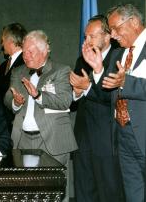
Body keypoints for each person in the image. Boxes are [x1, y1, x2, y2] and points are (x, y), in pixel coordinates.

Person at [82, 4, 146, 202]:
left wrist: (127, 82)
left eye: (117, 29)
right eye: (111, 31)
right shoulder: (119, 55)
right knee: (132, 195)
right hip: (123, 137)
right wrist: (99, 70)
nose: (114, 35)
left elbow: (127, 84)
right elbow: (107, 98)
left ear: (134, 22)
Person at [4, 30, 77, 202]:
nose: (26, 55)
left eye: (31, 51)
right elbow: (7, 98)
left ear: (44, 51)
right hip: (22, 139)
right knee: (26, 191)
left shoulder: (61, 70)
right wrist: (15, 101)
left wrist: (38, 96)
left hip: (52, 139)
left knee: (56, 192)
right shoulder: (18, 72)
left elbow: (65, 101)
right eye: (24, 51)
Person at [70, 15, 124, 202]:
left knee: (109, 193)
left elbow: (112, 98)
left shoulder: (120, 59)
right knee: (84, 193)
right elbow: (73, 102)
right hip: (83, 140)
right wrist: (77, 92)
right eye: (85, 37)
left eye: (91, 36)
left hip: (107, 141)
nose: (87, 41)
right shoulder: (82, 61)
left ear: (107, 36)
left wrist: (87, 88)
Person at [0, 23, 27, 132]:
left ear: (10, 41)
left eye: (3, 40)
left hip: (20, 123)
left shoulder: (26, 61)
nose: (2, 45)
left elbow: (14, 90)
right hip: (5, 122)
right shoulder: (4, 65)